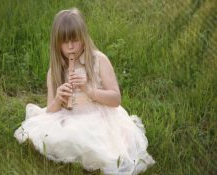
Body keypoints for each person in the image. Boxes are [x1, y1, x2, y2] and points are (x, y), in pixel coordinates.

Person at [14, 8, 155, 175]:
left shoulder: (98, 60)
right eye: (64, 42)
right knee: (62, 136)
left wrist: (89, 90)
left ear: (84, 38)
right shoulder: (55, 70)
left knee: (100, 145)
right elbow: (50, 110)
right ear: (56, 43)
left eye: (74, 40)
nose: (71, 47)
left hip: (100, 117)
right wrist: (59, 98)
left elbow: (116, 99)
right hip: (69, 117)